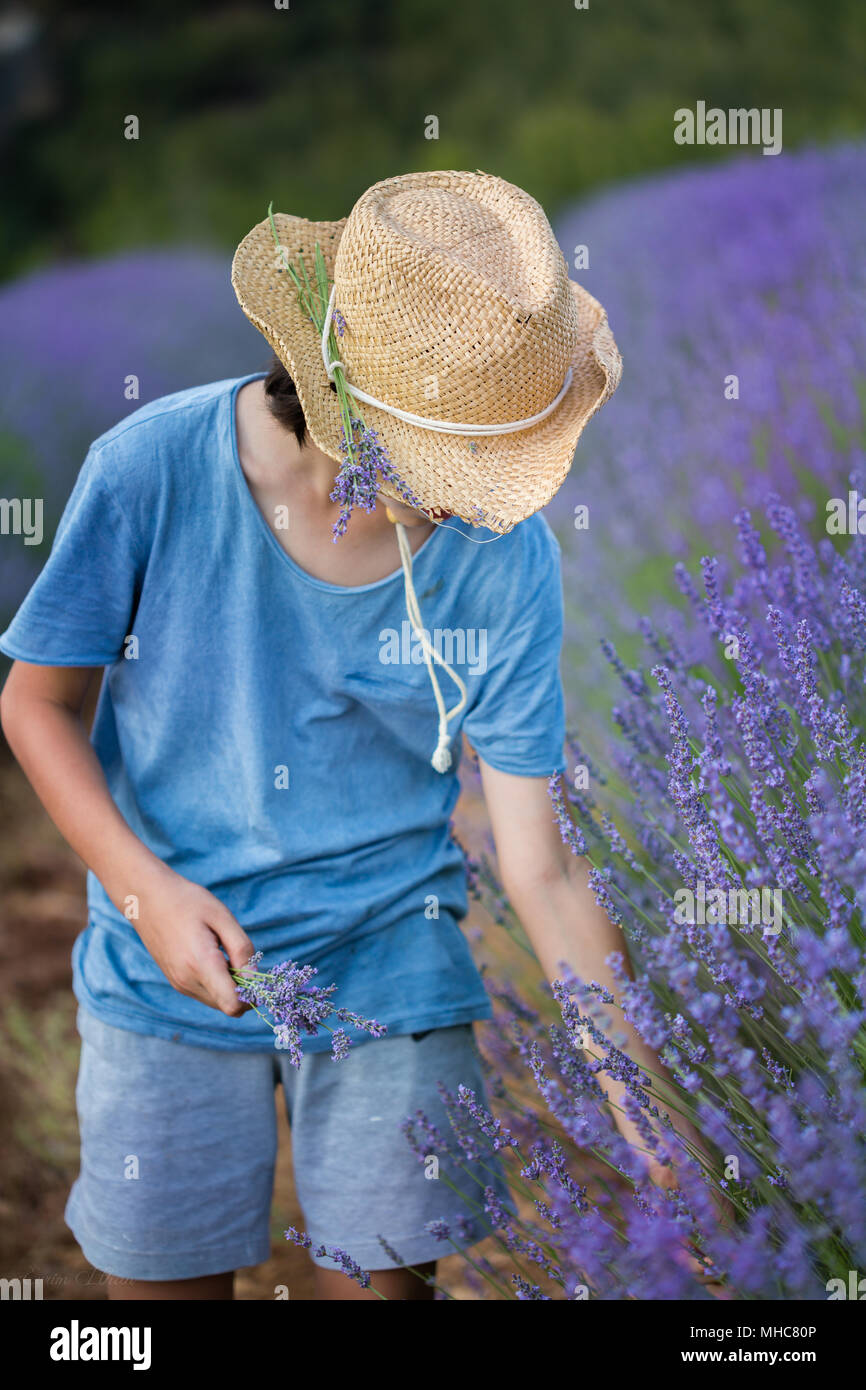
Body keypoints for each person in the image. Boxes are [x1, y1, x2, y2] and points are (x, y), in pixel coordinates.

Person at [0, 170, 693, 1304]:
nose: (474, 499)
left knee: (382, 1285)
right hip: (164, 962)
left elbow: (541, 865)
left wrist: (651, 1118)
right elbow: (36, 705)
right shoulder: (150, 471)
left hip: (391, 953)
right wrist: (143, 891)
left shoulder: (502, 552)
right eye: (447, 465)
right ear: (340, 400)